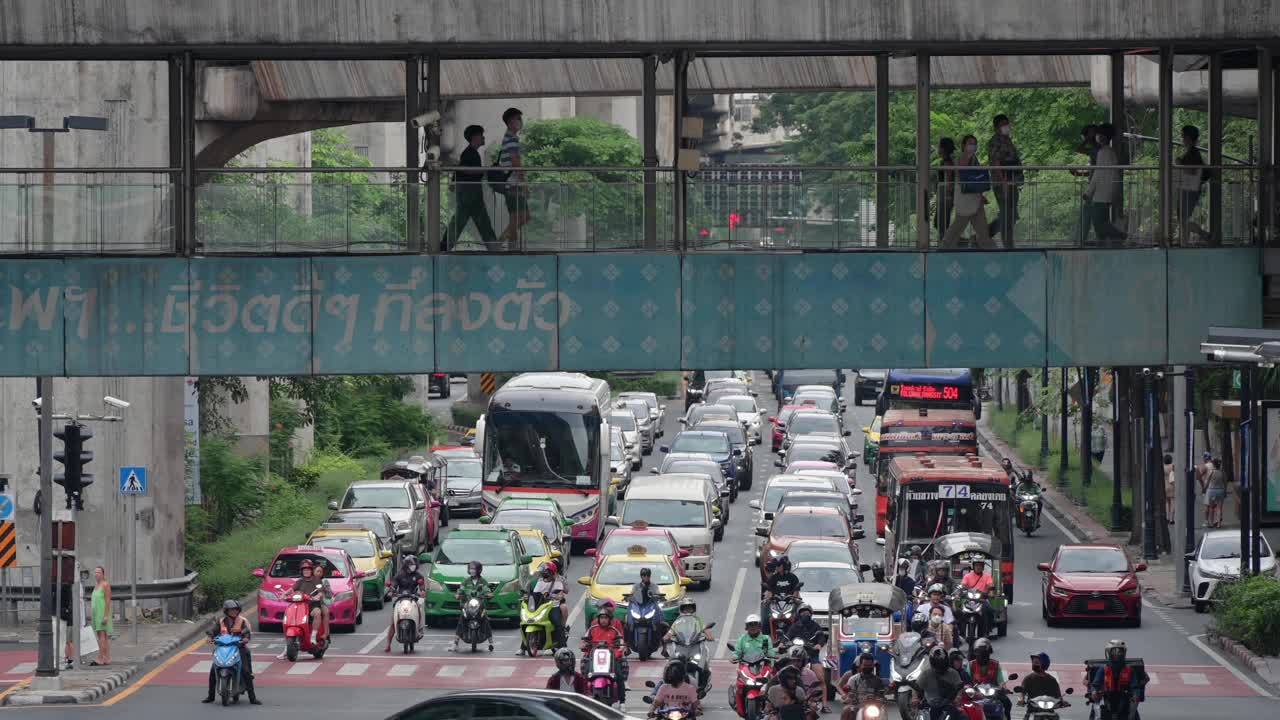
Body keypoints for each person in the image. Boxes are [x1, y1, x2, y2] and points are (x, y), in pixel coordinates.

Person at [445, 125, 500, 251]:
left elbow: (461, 169)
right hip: (470, 194)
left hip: (468, 193)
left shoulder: (470, 153)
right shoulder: (470, 153)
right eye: (481, 135)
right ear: (475, 137)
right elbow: (468, 171)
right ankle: (494, 247)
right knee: (478, 222)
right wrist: (487, 170)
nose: (483, 137)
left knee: (464, 222)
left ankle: (444, 246)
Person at [202, 600, 261, 705]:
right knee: (213, 671)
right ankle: (211, 696)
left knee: (245, 671)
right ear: (226, 611)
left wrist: (246, 638)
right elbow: (213, 631)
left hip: (238, 648)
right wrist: (210, 637)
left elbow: (247, 632)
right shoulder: (220, 621)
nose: (234, 611)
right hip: (222, 648)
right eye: (231, 610)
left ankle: (252, 698)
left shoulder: (242, 621)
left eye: (236, 609)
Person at [941, 135, 994, 249]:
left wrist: (980, 195)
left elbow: (974, 179)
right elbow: (966, 177)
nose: (973, 145)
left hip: (974, 197)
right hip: (965, 197)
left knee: (981, 227)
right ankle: (945, 246)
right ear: (963, 145)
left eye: (974, 143)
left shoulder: (974, 159)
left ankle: (989, 248)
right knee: (959, 224)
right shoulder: (961, 159)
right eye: (970, 143)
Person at [1082, 123, 1127, 245]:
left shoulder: (1103, 152)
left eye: (1098, 134)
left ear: (1102, 137)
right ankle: (1102, 244)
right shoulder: (1111, 152)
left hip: (1102, 192)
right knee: (1102, 221)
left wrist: (1088, 192)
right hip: (1109, 190)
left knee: (1099, 223)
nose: (1097, 137)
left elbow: (1097, 173)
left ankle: (1121, 235)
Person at [987, 114, 1023, 248]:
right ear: (997, 127)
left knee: (1011, 215)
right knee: (1007, 214)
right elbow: (996, 163)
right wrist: (1003, 182)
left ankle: (985, 234)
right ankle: (1008, 245)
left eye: (1007, 123)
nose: (1007, 126)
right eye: (1003, 124)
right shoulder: (995, 141)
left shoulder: (1007, 140)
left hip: (1013, 180)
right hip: (1003, 182)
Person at [583, 601, 629, 706]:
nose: (603, 620)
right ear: (598, 619)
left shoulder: (614, 630)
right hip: (594, 659)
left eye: (606, 618)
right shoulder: (592, 629)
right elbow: (585, 641)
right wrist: (584, 646)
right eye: (601, 618)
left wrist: (617, 653)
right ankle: (583, 698)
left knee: (620, 677)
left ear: (610, 619)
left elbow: (621, 643)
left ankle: (622, 702)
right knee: (584, 675)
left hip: (611, 659)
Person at [495, 107, 530, 248]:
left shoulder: (509, 138)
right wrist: (525, 185)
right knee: (521, 218)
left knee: (517, 219)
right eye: (518, 119)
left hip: (512, 185)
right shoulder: (511, 140)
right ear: (510, 122)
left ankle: (508, 245)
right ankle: (502, 243)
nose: (521, 122)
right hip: (514, 185)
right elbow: (516, 164)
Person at [784, 604, 828, 712]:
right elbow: (787, 637)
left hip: (812, 655)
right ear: (799, 614)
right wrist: (782, 643)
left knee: (821, 677)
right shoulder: (794, 626)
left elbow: (821, 637)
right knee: (784, 674)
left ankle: (825, 705)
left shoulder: (815, 626)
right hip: (796, 656)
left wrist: (819, 645)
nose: (805, 614)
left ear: (811, 614)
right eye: (803, 613)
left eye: (807, 613)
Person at [1088, 640, 1145, 720]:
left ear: (1124, 653)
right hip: (1106, 700)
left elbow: (1135, 687)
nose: (1117, 655)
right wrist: (1094, 692)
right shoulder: (1103, 669)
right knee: (1095, 711)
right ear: (1109, 652)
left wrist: (1135, 695)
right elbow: (1095, 685)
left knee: (1133, 714)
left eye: (1120, 652)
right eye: (1114, 651)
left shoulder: (1129, 670)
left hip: (1124, 701)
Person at [1176, 125, 1212, 245]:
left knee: (1182, 219)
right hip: (1190, 189)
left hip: (1189, 189)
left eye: (1183, 136)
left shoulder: (1193, 153)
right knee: (1183, 219)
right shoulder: (1193, 152)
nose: (1182, 139)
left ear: (1188, 137)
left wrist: (1180, 163)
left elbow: (1192, 170)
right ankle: (1184, 243)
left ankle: (1203, 234)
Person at [914, 645, 965, 720]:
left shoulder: (953, 673)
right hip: (929, 705)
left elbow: (960, 687)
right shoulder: (926, 674)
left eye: (942, 663)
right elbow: (916, 687)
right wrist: (915, 698)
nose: (940, 666)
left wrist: (958, 698)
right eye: (938, 663)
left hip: (948, 705)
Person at [450, 560, 491, 652]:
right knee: (461, 619)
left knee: (485, 619)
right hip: (467, 606)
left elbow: (487, 590)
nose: (472, 570)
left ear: (478, 570)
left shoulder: (483, 581)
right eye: (470, 569)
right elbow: (460, 591)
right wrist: (458, 595)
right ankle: (455, 643)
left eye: (474, 569)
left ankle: (490, 642)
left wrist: (488, 594)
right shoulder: (466, 581)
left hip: (480, 606)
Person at [527, 561, 568, 652]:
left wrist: (555, 596)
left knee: (557, 624)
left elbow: (560, 594)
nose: (544, 573)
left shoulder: (558, 582)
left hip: (553, 606)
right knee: (529, 621)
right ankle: (523, 647)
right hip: (541, 607)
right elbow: (535, 594)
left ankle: (562, 646)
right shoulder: (540, 581)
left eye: (546, 571)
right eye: (544, 571)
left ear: (551, 572)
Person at [969, 639, 1011, 719]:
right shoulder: (971, 665)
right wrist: (969, 689)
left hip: (994, 694)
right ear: (976, 654)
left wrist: (1004, 688)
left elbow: (1001, 680)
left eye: (985, 654)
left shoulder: (995, 664)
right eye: (980, 654)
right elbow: (967, 680)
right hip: (976, 694)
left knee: (1007, 703)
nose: (982, 656)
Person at [838, 653, 885, 720]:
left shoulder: (878, 681)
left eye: (869, 665)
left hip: (873, 706)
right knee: (846, 710)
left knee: (883, 712)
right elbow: (848, 693)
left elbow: (881, 696)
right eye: (865, 665)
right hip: (857, 705)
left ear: (873, 666)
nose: (867, 667)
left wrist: (878, 699)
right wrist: (848, 698)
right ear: (860, 665)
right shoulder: (853, 679)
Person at [960, 560, 997, 638]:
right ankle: (961, 633)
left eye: (980, 565)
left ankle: (987, 629)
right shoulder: (967, 576)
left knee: (990, 610)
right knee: (959, 613)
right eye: (976, 565)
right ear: (973, 566)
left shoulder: (987, 576)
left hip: (982, 600)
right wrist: (963, 590)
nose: (978, 567)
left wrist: (991, 592)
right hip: (969, 600)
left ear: (983, 567)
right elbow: (963, 585)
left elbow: (990, 585)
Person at [90, 566, 112, 666]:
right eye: (95, 572)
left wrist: (106, 616)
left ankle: (101, 657)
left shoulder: (105, 585)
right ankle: (106, 657)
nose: (96, 574)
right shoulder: (96, 585)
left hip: (102, 613)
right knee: (101, 635)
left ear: (103, 574)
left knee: (102, 635)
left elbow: (108, 601)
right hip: (96, 613)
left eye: (98, 572)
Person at [935, 138, 957, 241]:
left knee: (942, 222)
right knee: (940, 222)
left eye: (938, 146)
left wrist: (948, 195)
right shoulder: (948, 161)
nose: (937, 148)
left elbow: (949, 179)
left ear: (943, 148)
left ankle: (944, 243)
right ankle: (945, 242)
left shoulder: (947, 162)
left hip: (945, 195)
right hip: (944, 195)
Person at [1204, 458, 1226, 528]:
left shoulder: (1211, 472)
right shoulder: (1222, 472)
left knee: (1211, 508)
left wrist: (1204, 488)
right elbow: (1225, 482)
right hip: (1220, 490)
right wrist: (1225, 491)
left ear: (1213, 464)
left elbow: (1207, 482)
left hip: (1212, 490)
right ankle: (1219, 524)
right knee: (1219, 508)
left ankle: (1211, 523)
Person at [1163, 454, 1176, 523]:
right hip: (1172, 485)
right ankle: (1172, 519)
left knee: (1167, 503)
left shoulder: (1163, 467)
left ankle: (1167, 517)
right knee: (1173, 502)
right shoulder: (1173, 466)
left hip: (1165, 485)